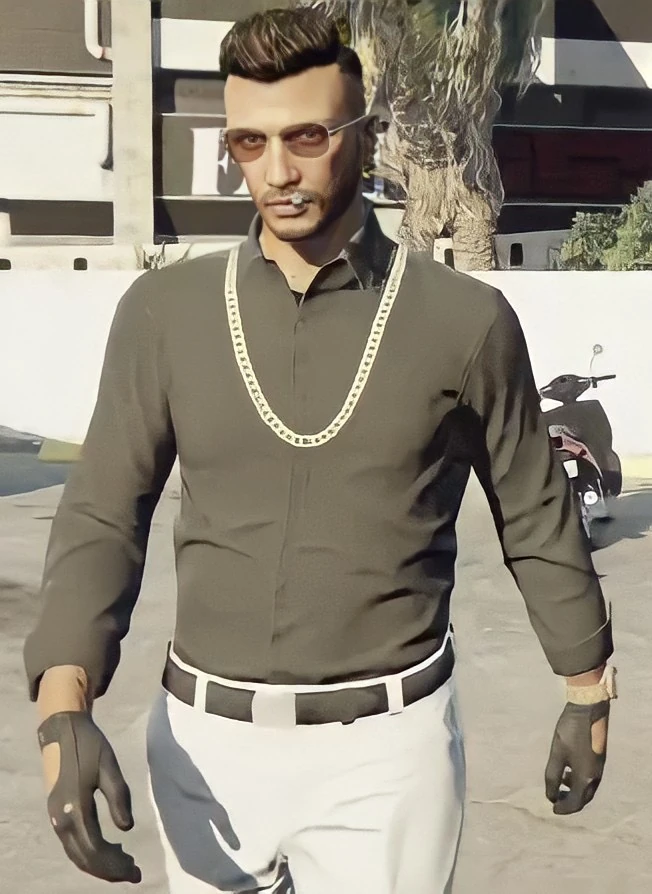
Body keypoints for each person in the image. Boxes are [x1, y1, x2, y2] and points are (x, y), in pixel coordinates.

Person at [24, 8, 616, 894]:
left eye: (307, 136)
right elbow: (105, 513)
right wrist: (62, 708)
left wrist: (587, 687)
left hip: (389, 755)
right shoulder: (164, 315)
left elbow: (534, 509)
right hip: (202, 746)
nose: (277, 171)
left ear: (364, 136)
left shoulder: (463, 320)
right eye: (249, 143)